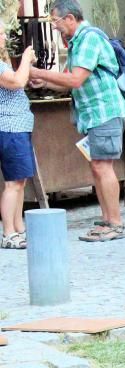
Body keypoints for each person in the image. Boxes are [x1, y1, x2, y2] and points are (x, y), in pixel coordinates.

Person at [29, 0, 125, 242]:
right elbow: (71, 79)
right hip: (94, 115)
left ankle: (116, 223)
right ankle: (107, 219)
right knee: (97, 166)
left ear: (70, 19)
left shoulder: (88, 39)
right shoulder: (78, 43)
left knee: (103, 166)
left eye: (56, 21)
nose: (55, 27)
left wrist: (37, 72)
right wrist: (45, 83)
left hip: (104, 112)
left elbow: (75, 80)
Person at [0, 37, 35, 250]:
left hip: (19, 126)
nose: (4, 37)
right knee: (12, 183)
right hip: (9, 127)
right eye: (1, 33)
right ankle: (8, 233)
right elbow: (16, 82)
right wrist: (25, 60)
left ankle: (18, 226)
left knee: (20, 181)